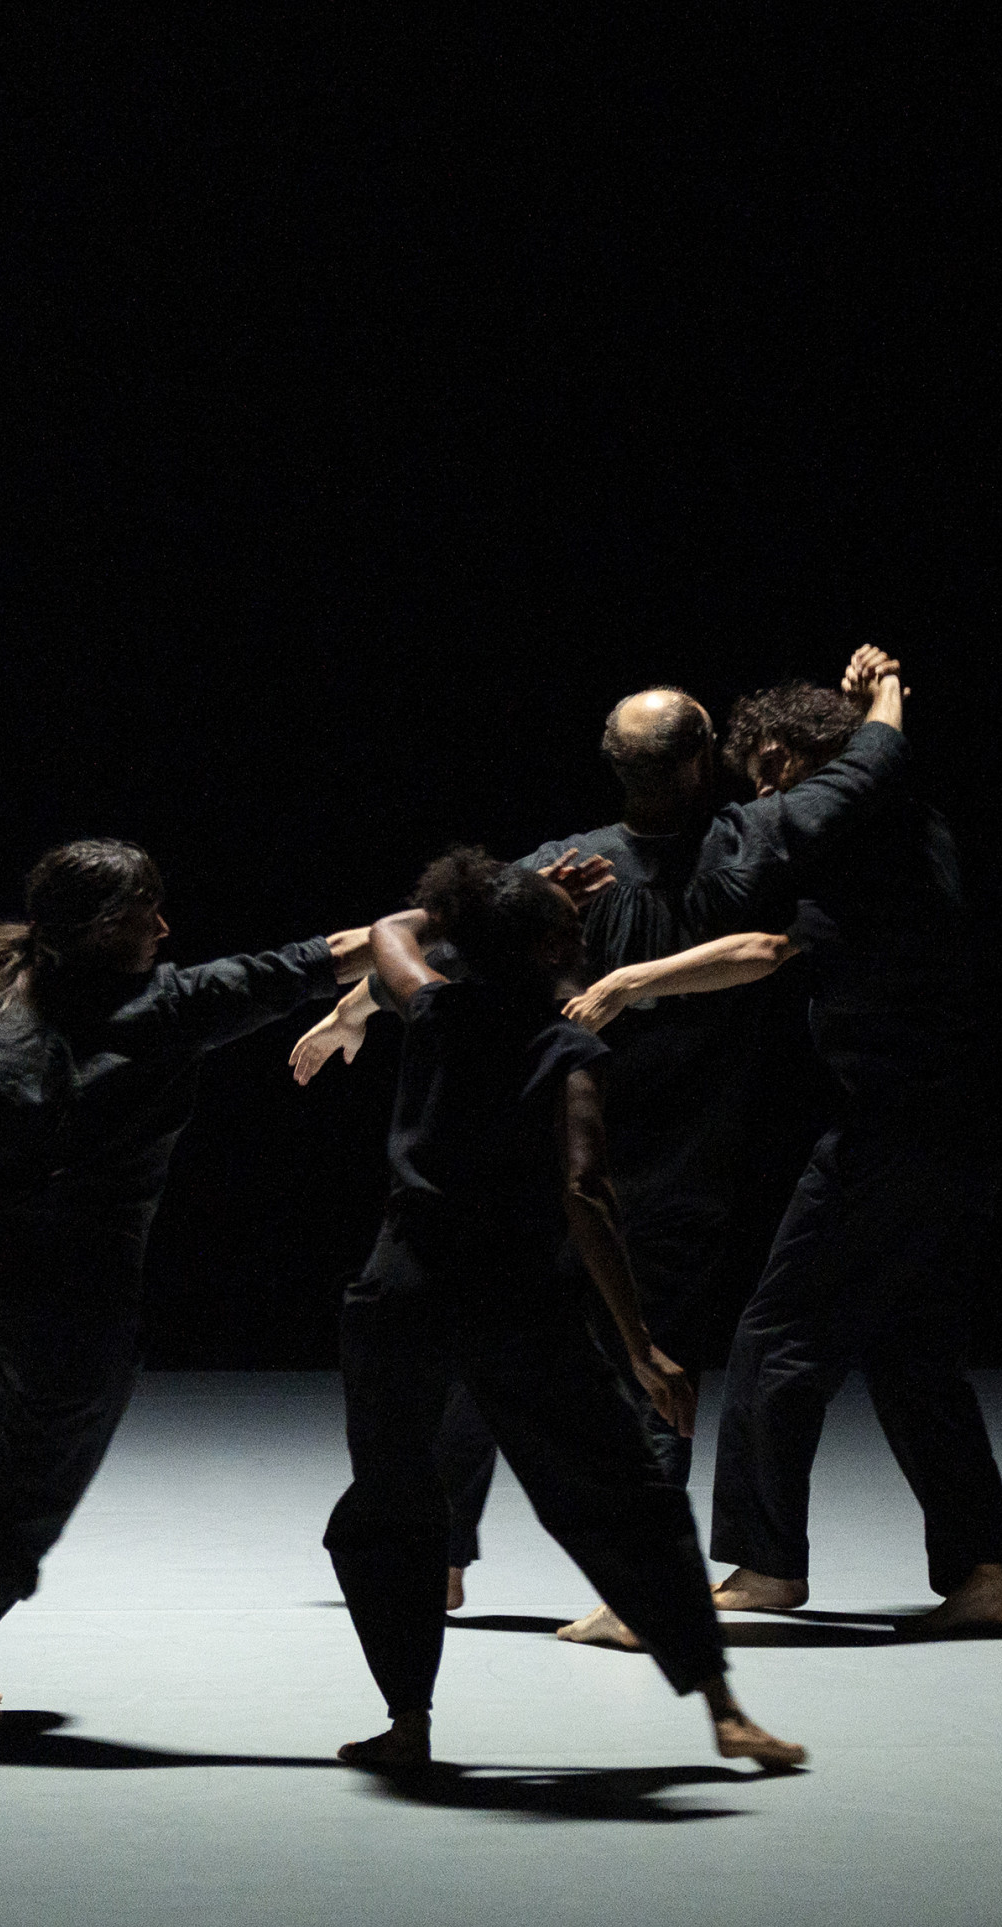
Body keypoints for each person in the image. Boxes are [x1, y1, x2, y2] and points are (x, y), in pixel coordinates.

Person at [292, 646, 913, 1646]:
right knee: (648, 1367)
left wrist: (354, 1008)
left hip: (551, 1144)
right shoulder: (753, 844)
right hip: (682, 1161)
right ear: (702, 760)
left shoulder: (565, 867)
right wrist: (882, 699)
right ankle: (638, 1586)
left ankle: (437, 1557)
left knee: (485, 1347)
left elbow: (453, 940)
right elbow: (864, 773)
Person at [0, 838, 393, 1747]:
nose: (165, 926)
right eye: (147, 913)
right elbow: (349, 949)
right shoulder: (174, 1004)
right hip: (78, 1307)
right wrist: (476, 905)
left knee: (12, 1490)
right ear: (105, 928)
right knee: (23, 1522)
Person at [571, 656, 1002, 1632]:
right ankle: (988, 1573)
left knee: (778, 1336)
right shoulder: (900, 836)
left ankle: (765, 1566)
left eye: (769, 772)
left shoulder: (868, 819)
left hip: (895, 1128)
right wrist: (635, 980)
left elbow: (770, 938)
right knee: (911, 1354)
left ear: (800, 754)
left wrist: (629, 980)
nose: (761, 796)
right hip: (956, 1128)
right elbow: (774, 946)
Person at [323, 846, 805, 1771]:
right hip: (514, 1300)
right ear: (549, 951)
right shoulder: (565, 1047)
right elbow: (586, 1193)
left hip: (402, 1292)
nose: (581, 939)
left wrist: (480, 904)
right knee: (622, 1495)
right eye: (570, 930)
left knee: (393, 1504)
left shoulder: (435, 1009)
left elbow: (387, 930)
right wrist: (641, 1345)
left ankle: (408, 1723)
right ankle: (724, 1711)